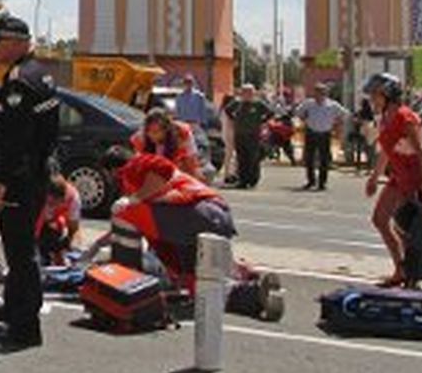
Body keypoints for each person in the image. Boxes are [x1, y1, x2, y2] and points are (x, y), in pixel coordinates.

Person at [94, 150, 283, 319]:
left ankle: (126, 284)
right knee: (197, 282)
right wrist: (95, 247)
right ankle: (252, 291)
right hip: (213, 215)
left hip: (195, 214)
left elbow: (161, 171)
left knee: (121, 212)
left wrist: (134, 199)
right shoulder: (150, 182)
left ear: (113, 170)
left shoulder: (135, 166)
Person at [0, 15, 62, 349]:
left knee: (19, 251)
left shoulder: (19, 81)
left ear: (16, 42)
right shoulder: (40, 73)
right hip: (37, 173)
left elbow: (16, 138)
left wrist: (1, 179)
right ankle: (14, 313)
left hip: (20, 177)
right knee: (21, 248)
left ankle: (25, 327)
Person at [364, 72, 422, 288]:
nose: (371, 100)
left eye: (375, 95)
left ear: (388, 96)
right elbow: (385, 151)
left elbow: (421, 150)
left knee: (407, 228)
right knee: (380, 219)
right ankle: (400, 269)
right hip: (397, 176)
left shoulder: (405, 117)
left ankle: (413, 277)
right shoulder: (384, 119)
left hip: (413, 178)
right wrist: (375, 177)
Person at [297, 82, 349, 191]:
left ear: (325, 93)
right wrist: (304, 119)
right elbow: (298, 112)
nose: (319, 95)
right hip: (311, 132)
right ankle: (311, 181)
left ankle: (322, 183)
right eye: (317, 92)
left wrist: (336, 123)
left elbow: (345, 114)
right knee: (309, 158)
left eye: (321, 92)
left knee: (324, 159)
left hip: (325, 134)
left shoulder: (332, 105)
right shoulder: (309, 103)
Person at [131, 107, 203, 180]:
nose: (151, 135)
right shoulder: (140, 139)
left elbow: (191, 161)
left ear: (166, 129)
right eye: (148, 131)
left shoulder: (182, 133)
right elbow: (139, 165)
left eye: (155, 132)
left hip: (177, 169)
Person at [223, 83, 272, 189]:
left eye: (249, 92)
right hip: (240, 135)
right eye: (244, 92)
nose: (247, 94)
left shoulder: (258, 104)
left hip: (253, 135)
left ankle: (253, 179)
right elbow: (227, 110)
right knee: (242, 158)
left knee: (253, 158)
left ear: (253, 93)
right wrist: (233, 119)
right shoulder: (237, 103)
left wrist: (262, 121)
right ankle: (243, 180)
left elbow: (270, 112)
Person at [35, 169, 83, 266]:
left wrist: (71, 247)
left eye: (58, 202)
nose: (54, 205)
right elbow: (34, 230)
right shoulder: (36, 196)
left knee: (59, 235)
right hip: (35, 221)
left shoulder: (73, 198)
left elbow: (74, 228)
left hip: (54, 223)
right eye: (51, 203)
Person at [348, 97, 374, 170]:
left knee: (360, 148)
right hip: (368, 132)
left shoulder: (360, 112)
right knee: (368, 149)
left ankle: (359, 166)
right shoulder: (370, 112)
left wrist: (359, 121)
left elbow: (354, 119)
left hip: (361, 131)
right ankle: (369, 165)